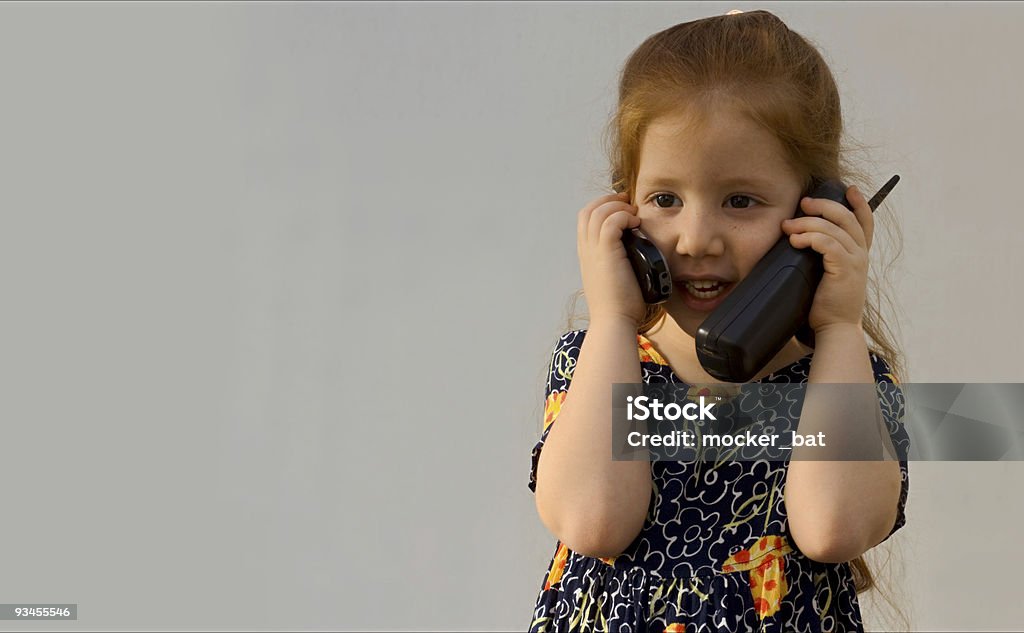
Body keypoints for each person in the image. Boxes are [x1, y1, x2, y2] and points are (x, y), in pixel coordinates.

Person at [527, 10, 910, 632]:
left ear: (816, 212)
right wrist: (613, 324)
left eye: (740, 200)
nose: (696, 239)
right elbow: (593, 521)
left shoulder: (844, 381)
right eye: (665, 200)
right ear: (625, 205)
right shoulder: (596, 360)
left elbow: (833, 528)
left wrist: (840, 328)